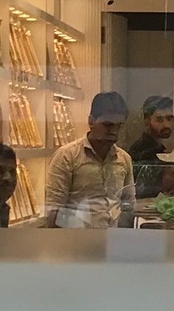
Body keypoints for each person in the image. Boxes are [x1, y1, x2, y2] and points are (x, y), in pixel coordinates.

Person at [42, 92, 136, 227]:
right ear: (91, 121)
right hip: (77, 237)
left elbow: (128, 206)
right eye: (108, 125)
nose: (114, 131)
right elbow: (53, 210)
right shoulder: (67, 156)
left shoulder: (124, 159)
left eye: (119, 126)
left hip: (112, 236)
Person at [128, 95, 174, 201]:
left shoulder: (171, 147)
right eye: (159, 120)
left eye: (169, 119)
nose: (166, 125)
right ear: (147, 121)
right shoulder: (140, 152)